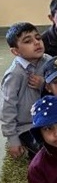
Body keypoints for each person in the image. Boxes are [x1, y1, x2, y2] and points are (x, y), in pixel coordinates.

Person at [0, 22, 51, 158]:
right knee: (46, 153)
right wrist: (13, 139)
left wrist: (44, 84)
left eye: (38, 38)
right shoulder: (15, 74)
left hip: (50, 118)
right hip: (27, 125)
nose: (36, 43)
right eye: (28, 41)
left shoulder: (49, 61)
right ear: (15, 51)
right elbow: (7, 107)